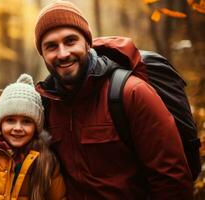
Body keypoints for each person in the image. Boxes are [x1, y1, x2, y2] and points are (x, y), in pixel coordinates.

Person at [33, 0, 193, 199]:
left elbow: (172, 181)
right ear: (43, 54)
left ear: (88, 43)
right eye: (51, 47)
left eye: (70, 41)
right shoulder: (47, 105)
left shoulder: (131, 93)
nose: (63, 53)